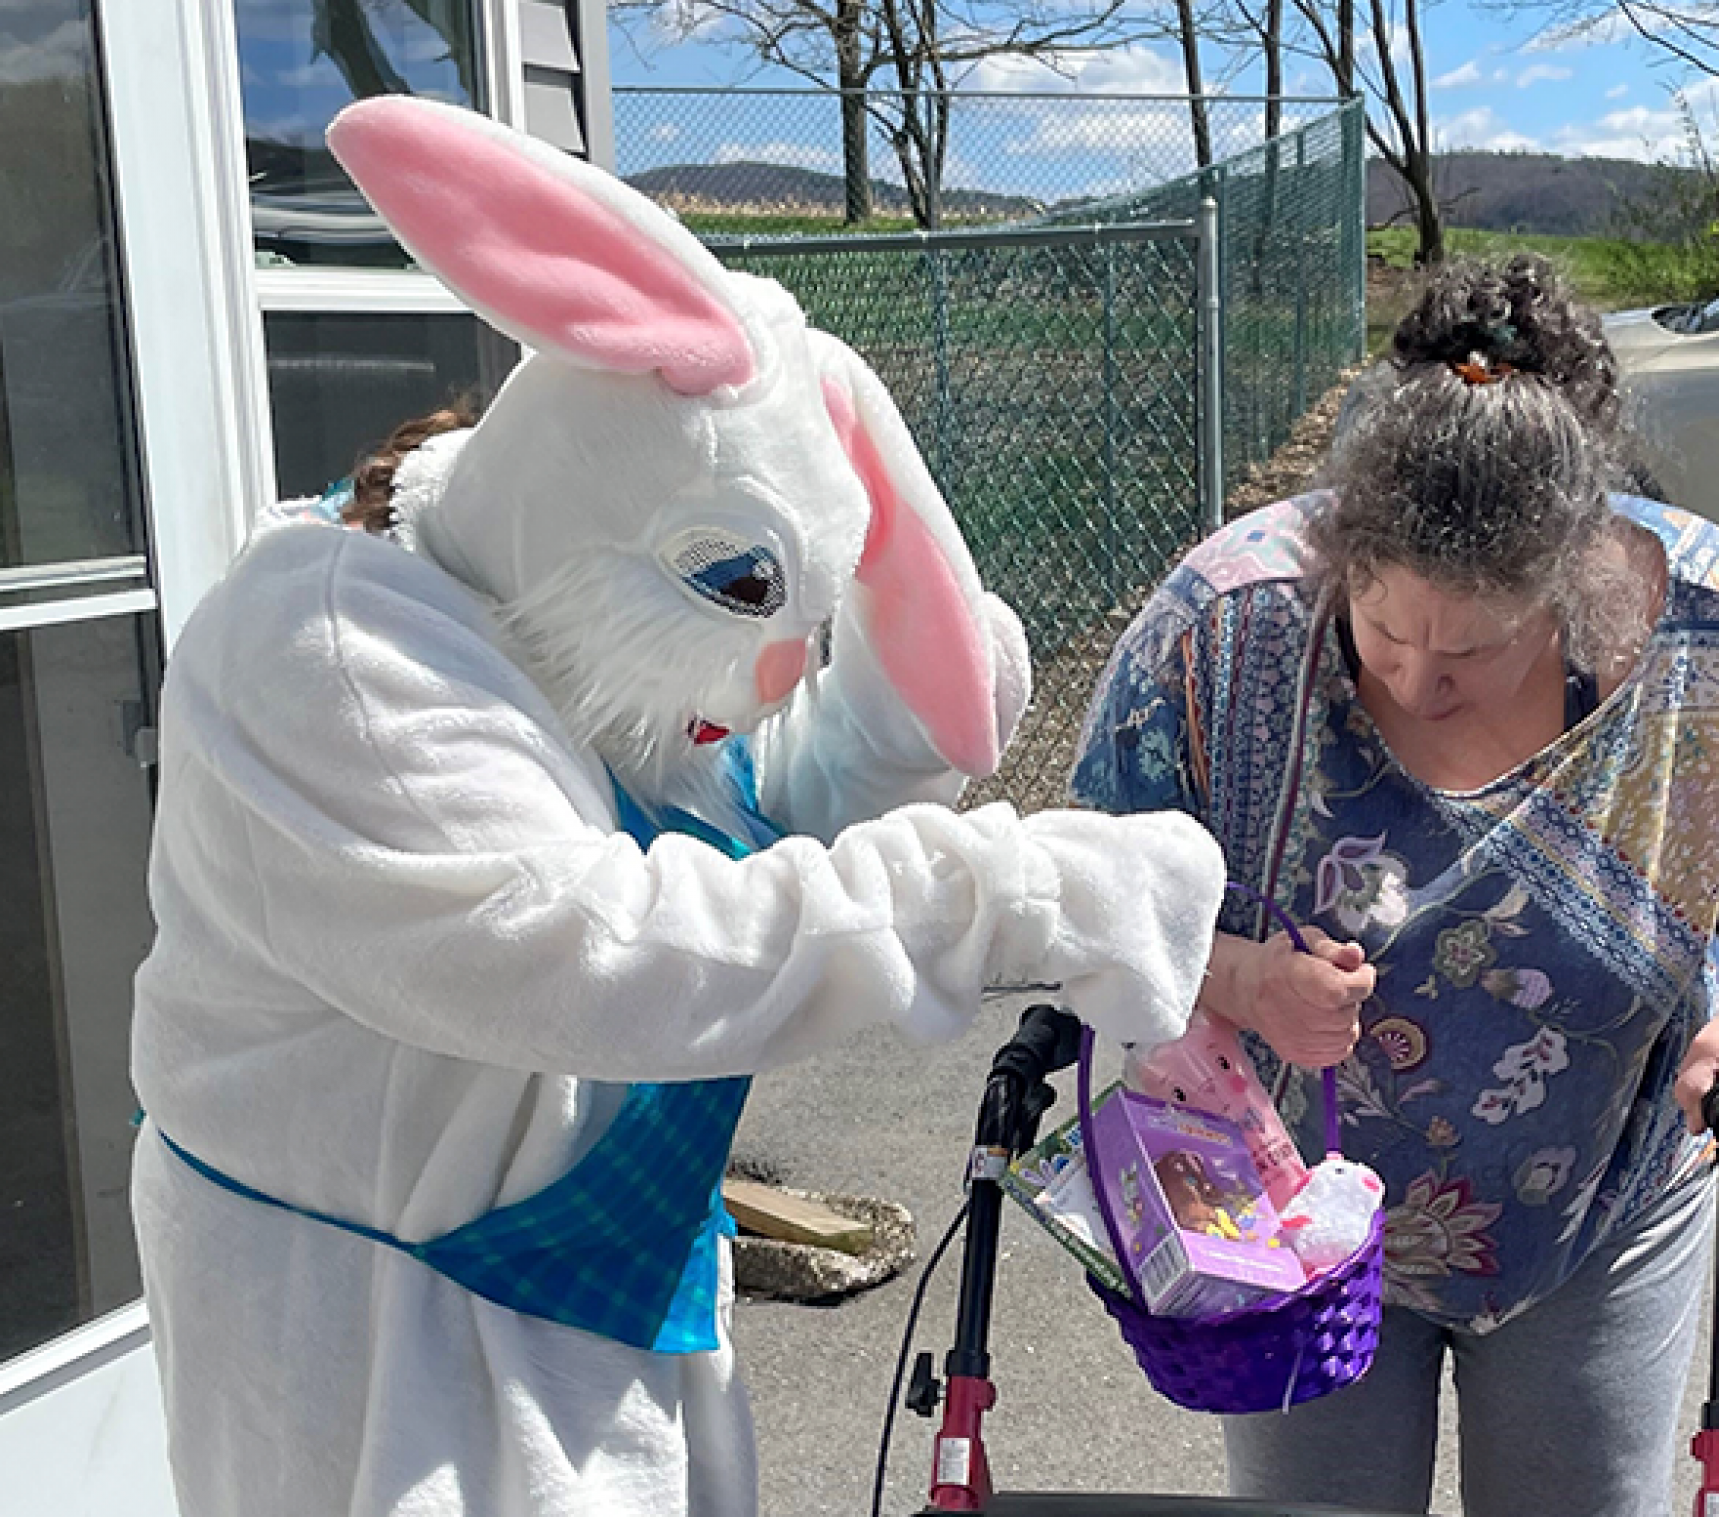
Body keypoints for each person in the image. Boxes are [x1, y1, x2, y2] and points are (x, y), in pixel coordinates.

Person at [129, 95, 1225, 1517]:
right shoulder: (337, 663)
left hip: (600, 1308)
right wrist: (1010, 891)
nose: (773, 679)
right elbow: (596, 950)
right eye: (747, 596)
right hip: (372, 1352)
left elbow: (784, 818)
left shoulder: (574, 626)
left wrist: (904, 657)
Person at [1071, 253, 1719, 1517]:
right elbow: (1080, 879)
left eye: (1472, 647)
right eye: (1382, 630)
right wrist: (1233, 977)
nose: (1410, 678)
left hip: (1602, 1205)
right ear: (1337, 547)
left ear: (1577, 581)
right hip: (1290, 1211)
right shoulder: (1223, 623)